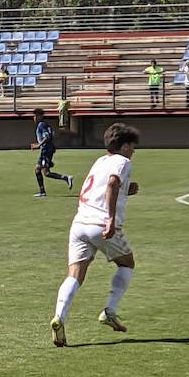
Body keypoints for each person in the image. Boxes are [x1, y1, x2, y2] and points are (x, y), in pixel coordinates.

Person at [50, 123, 142, 348]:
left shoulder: (100, 161)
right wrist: (110, 220)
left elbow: (101, 187)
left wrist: (126, 189)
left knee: (75, 274)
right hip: (100, 224)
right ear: (125, 146)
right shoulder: (123, 162)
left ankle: (59, 317)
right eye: (132, 146)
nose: (133, 151)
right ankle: (110, 311)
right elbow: (111, 183)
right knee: (127, 263)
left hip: (80, 222)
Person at [30, 108, 74, 198]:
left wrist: (38, 145)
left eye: (35, 116)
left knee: (43, 171)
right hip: (47, 150)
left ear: (40, 116)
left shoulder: (41, 125)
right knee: (41, 171)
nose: (34, 118)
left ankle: (65, 178)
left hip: (46, 151)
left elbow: (47, 137)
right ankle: (43, 191)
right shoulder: (44, 125)